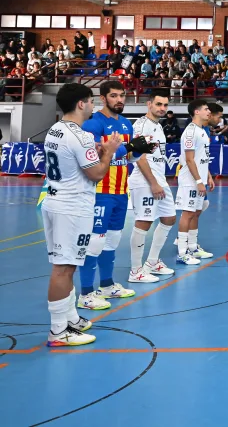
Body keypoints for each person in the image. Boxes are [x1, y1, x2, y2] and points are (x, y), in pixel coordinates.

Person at [42, 83, 124, 347]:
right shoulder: (81, 136)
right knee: (63, 268)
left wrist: (97, 153)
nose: (92, 106)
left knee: (67, 265)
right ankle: (58, 331)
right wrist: (108, 152)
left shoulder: (55, 129)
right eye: (90, 101)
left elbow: (72, 160)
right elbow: (97, 174)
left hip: (55, 201)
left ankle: (70, 318)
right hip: (72, 207)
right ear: (81, 104)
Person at [78, 80, 137, 311]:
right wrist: (127, 148)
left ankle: (106, 285)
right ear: (103, 98)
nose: (119, 99)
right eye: (114, 95)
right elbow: (95, 152)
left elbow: (126, 157)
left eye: (122, 95)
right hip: (101, 191)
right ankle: (85, 294)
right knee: (95, 242)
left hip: (121, 191)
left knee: (112, 240)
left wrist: (138, 150)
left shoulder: (126, 124)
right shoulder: (93, 123)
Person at [126, 90, 178, 283]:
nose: (162, 108)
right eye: (158, 104)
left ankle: (152, 262)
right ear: (149, 104)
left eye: (165, 105)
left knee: (169, 218)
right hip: (144, 180)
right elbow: (139, 157)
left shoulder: (158, 126)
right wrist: (153, 183)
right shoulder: (141, 125)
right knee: (144, 221)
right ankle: (135, 271)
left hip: (159, 178)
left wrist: (159, 181)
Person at [174, 100, 214, 266]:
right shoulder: (190, 132)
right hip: (189, 180)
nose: (209, 112)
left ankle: (193, 247)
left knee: (196, 212)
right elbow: (189, 160)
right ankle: (182, 253)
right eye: (206, 109)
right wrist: (198, 181)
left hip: (200, 178)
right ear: (196, 112)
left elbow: (202, 157)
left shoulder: (202, 130)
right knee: (188, 213)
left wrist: (208, 176)